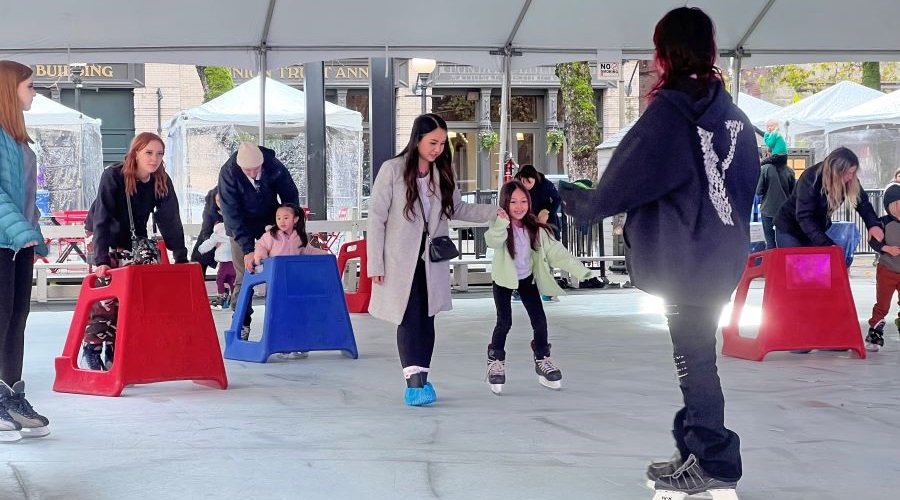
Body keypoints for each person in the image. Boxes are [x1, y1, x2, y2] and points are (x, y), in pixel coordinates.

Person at [559, 8, 757, 498]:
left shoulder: (669, 115)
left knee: (694, 361)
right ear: (709, 49)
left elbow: (618, 186)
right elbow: (744, 187)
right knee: (697, 356)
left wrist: (565, 196)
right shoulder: (735, 117)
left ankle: (714, 460)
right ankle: (698, 452)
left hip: (685, 261)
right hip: (721, 256)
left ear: (664, 52)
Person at [367, 113, 498, 407]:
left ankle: (422, 379)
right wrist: (375, 263)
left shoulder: (442, 173)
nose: (437, 148)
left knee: (427, 318)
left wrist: (495, 212)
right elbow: (375, 219)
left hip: (432, 259)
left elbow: (458, 209)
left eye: (441, 143)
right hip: (400, 260)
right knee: (408, 316)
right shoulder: (392, 170)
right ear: (417, 140)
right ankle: (413, 383)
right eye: (432, 142)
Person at [86, 132, 189, 371]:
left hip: (136, 243)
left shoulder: (160, 179)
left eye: (160, 154)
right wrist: (101, 258)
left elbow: (170, 219)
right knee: (106, 299)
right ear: (136, 153)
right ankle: (92, 348)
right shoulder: (114, 175)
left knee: (134, 299)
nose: (154, 159)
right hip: (106, 238)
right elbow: (101, 217)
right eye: (149, 153)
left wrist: (180, 256)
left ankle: (116, 348)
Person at [484, 180, 591, 395]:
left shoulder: (536, 229)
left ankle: (542, 358)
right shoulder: (500, 227)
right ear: (505, 203)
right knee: (504, 322)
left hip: (527, 280)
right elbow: (492, 241)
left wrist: (582, 271)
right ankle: (495, 360)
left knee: (540, 321)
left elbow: (557, 252)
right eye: (513, 201)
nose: (519, 206)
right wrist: (501, 224)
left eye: (523, 201)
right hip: (504, 279)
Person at [0, 60, 51, 440]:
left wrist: (33, 233)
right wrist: (19, 230)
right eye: (30, 87)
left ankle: (12, 395)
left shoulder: (17, 139)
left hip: (18, 246)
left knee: (17, 318)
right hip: (3, 242)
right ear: (9, 89)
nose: (34, 93)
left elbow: (26, 197)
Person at [218, 142, 299, 340]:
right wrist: (247, 250)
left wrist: (287, 224)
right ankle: (241, 323)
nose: (253, 173)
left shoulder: (273, 166)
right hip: (240, 226)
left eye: (256, 169)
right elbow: (231, 213)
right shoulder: (228, 173)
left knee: (279, 272)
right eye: (248, 170)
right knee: (244, 274)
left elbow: (290, 196)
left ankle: (281, 322)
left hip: (270, 222)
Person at [773, 147, 882, 256]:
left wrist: (873, 224)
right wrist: (827, 244)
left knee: (817, 266)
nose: (851, 177)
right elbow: (804, 216)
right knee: (794, 265)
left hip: (815, 228)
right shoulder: (811, 178)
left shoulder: (849, 180)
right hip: (789, 228)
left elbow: (862, 203)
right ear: (836, 171)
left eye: (853, 173)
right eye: (848, 173)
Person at [252, 203, 327, 358]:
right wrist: (260, 256)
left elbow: (308, 251)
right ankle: (283, 346)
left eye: (286, 217)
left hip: (296, 281)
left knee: (299, 312)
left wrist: (324, 254)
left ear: (296, 219)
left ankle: (300, 344)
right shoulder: (271, 235)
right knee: (279, 313)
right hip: (277, 282)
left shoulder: (300, 236)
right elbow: (261, 246)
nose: (282, 221)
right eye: (278, 218)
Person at [864, 184, 900, 352]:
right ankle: (875, 332)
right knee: (883, 304)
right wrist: (887, 249)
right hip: (887, 270)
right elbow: (873, 241)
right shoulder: (883, 222)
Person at [756, 137, 796, 249]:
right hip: (784, 212)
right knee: (784, 242)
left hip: (767, 210)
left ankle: (772, 265)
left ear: (769, 153)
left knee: (770, 243)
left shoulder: (764, 169)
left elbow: (759, 191)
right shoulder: (790, 171)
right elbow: (794, 194)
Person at [197, 201, 235, 309]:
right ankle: (234, 299)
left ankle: (222, 297)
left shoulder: (217, 234)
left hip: (224, 263)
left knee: (220, 279)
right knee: (233, 281)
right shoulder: (233, 233)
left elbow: (209, 243)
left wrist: (200, 250)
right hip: (234, 262)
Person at [191, 187, 223, 277]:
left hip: (229, 245)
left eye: (224, 200)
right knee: (199, 261)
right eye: (219, 201)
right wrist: (213, 242)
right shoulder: (209, 209)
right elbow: (206, 229)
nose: (222, 204)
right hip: (209, 239)